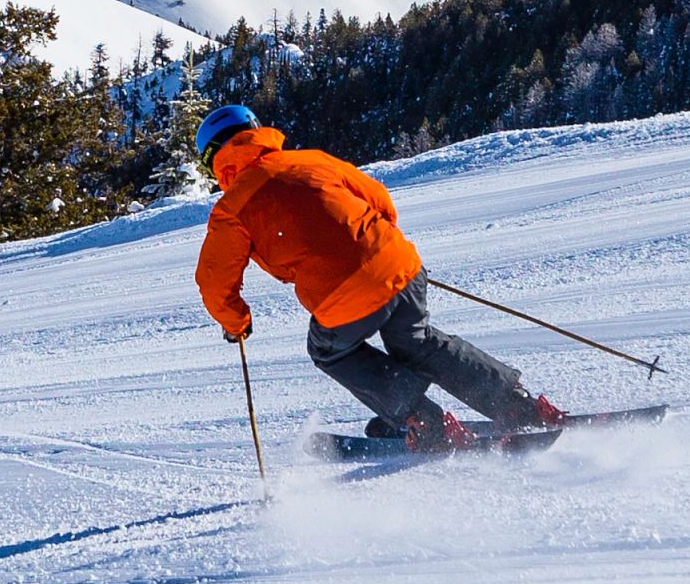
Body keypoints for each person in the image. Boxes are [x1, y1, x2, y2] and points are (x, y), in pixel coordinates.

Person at [190, 105, 562, 444]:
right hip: (401, 264)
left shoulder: (231, 209)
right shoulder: (312, 161)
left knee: (329, 351)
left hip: (343, 294)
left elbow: (214, 280)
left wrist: (236, 321)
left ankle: (422, 420)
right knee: (416, 341)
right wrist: (378, 249)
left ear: (215, 161)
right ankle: (516, 406)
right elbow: (379, 198)